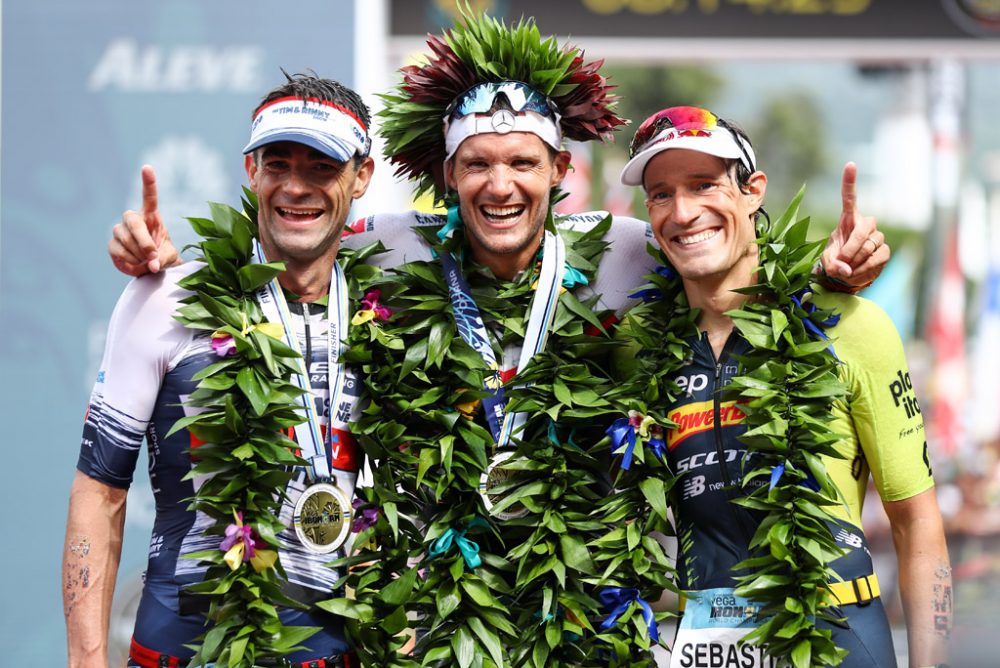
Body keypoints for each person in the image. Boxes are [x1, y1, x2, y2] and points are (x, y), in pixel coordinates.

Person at [103, 15, 889, 666]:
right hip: (442, 620)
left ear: (560, 171)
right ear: (447, 176)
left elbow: (719, 248)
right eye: (476, 163)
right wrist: (162, 263)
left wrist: (828, 272)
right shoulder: (398, 243)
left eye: (520, 161)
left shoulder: (625, 248)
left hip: (583, 621)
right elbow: (300, 228)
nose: (499, 183)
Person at [616, 105, 952, 666]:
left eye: (704, 185)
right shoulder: (636, 345)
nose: (684, 211)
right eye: (661, 194)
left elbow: (915, 521)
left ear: (753, 191)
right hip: (700, 642)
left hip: (836, 638)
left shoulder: (847, 325)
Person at [63, 72, 374, 668]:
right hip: (182, 648)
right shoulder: (167, 299)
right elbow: (99, 492)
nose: (295, 186)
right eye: (277, 163)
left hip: (332, 650)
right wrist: (86, 660)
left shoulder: (386, 311)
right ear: (251, 170)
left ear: (362, 176)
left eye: (321, 168)